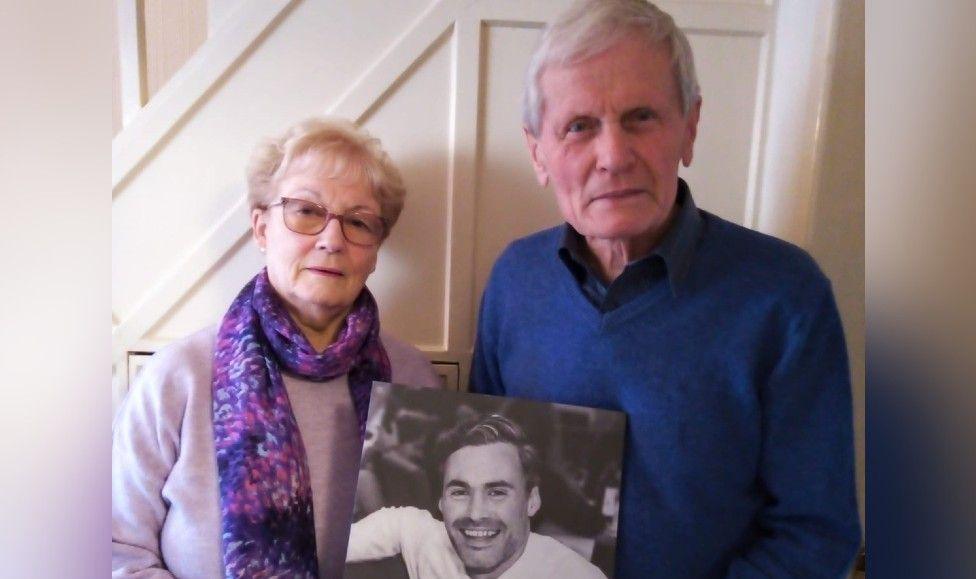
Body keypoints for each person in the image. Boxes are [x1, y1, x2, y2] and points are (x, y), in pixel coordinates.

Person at [469, 1, 862, 578]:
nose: (613, 156)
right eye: (579, 126)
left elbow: (816, 531)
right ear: (538, 152)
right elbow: (482, 459)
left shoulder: (785, 296)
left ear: (690, 125)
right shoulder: (514, 280)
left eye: (640, 117)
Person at [112, 117, 442, 578]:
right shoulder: (178, 377)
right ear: (261, 228)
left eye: (358, 222)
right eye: (306, 211)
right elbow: (116, 550)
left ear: (375, 250)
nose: (332, 240)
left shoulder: (411, 378)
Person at [346, 414, 607, 579]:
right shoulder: (419, 534)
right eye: (460, 492)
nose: (475, 513)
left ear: (532, 501)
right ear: (441, 502)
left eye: (497, 492)